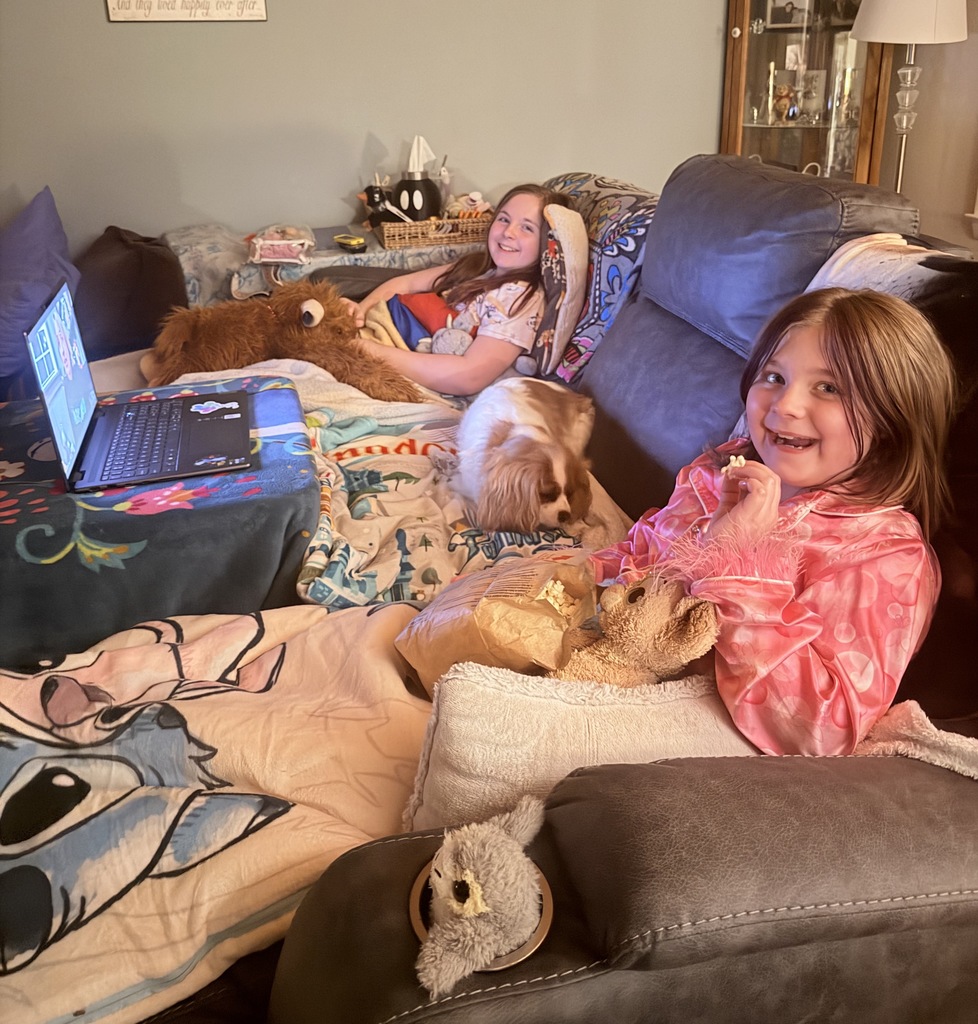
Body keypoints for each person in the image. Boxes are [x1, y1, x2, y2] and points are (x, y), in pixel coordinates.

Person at [590, 288, 956, 757]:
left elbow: (821, 732)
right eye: (773, 376)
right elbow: (643, 549)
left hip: (691, 729)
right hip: (608, 651)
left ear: (892, 416)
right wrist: (585, 574)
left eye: (830, 387)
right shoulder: (717, 471)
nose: (785, 406)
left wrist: (736, 562)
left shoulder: (884, 554)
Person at [346, 184, 572, 397]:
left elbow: (469, 376)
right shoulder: (478, 266)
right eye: (504, 219)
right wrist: (360, 310)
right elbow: (406, 283)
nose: (509, 232)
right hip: (385, 332)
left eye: (526, 227)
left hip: (405, 363)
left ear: (547, 243)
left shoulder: (519, 298)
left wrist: (369, 350)